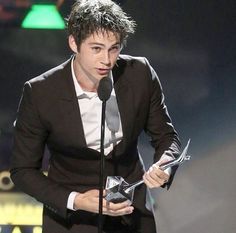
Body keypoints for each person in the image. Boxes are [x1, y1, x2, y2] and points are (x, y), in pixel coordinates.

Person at [10, 0, 181, 232]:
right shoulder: (41, 92)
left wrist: (166, 165)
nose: (107, 60)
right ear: (74, 42)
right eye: (96, 48)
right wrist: (76, 200)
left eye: (114, 48)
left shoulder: (139, 74)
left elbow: (166, 137)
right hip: (72, 217)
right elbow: (23, 171)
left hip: (131, 210)